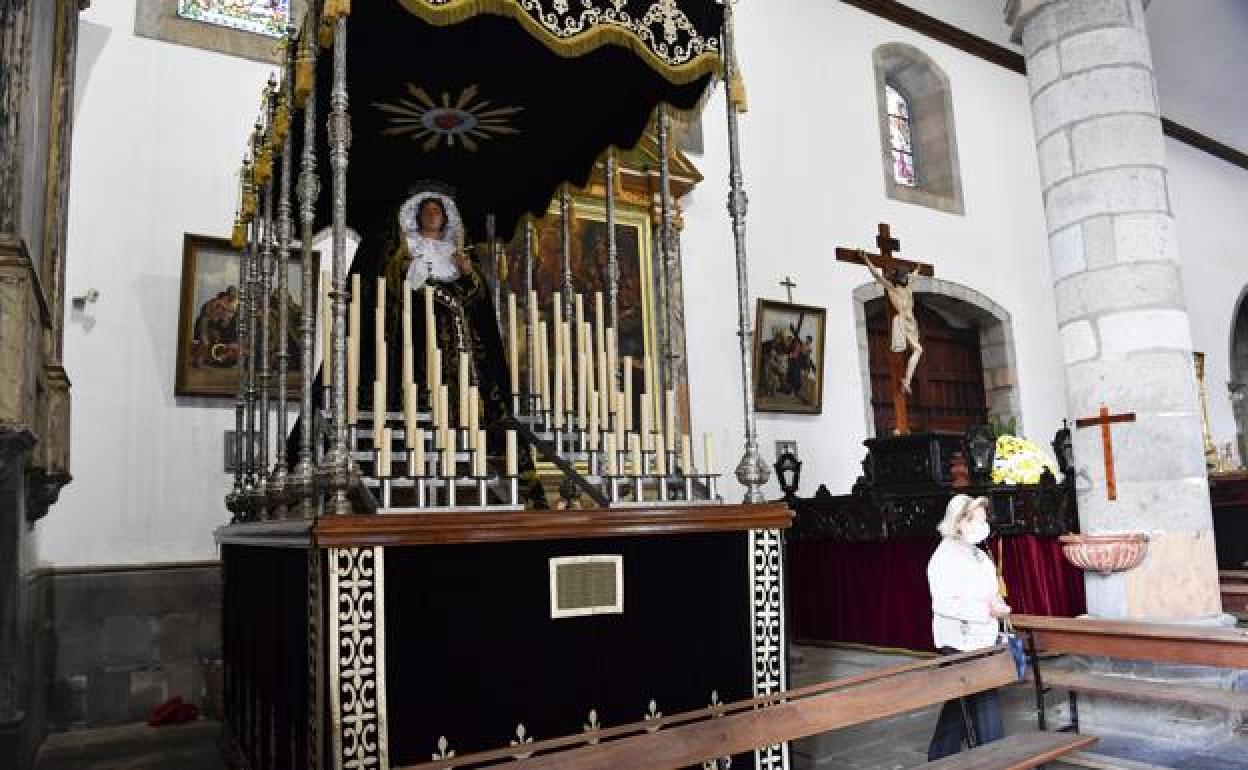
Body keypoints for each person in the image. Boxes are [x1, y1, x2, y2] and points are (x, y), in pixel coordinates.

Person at [926, 494, 1010, 760]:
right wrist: (987, 610)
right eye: (977, 519)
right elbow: (943, 604)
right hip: (959, 640)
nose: (984, 525)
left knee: (960, 699)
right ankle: (997, 758)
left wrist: (996, 601)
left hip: (982, 636)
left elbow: (990, 589)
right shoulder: (944, 557)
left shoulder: (978, 552)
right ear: (959, 522)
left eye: (984, 519)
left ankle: (940, 756)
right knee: (984, 698)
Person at [861, 250, 923, 394]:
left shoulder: (908, 287)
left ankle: (906, 381)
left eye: (905, 276)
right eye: (903, 276)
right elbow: (877, 275)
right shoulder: (891, 288)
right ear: (898, 277)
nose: (905, 278)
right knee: (919, 350)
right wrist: (866, 260)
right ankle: (906, 381)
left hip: (912, 323)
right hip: (902, 322)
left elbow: (914, 275)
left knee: (918, 350)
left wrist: (918, 269)